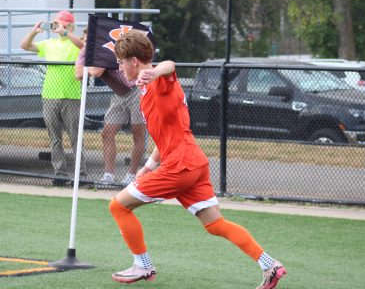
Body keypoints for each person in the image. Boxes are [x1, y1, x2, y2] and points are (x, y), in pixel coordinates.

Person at [108, 30, 286, 288]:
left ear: (134, 61)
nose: (120, 67)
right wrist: (148, 166)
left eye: (121, 62)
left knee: (118, 206)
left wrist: (155, 72)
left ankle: (142, 266)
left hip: (180, 165)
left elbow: (170, 66)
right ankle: (270, 265)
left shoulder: (158, 80)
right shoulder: (145, 90)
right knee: (215, 224)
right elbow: (166, 136)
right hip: (192, 162)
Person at [20, 10, 86, 186]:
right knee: (54, 137)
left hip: (72, 96)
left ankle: (81, 175)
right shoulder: (49, 44)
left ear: (71, 25)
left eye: (63, 23)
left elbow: (83, 47)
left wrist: (65, 33)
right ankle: (60, 174)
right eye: (56, 23)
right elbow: (25, 46)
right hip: (50, 95)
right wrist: (34, 31)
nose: (58, 26)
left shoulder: (75, 42)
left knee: (75, 137)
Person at [74, 31, 146, 186]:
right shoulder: (85, 52)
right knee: (107, 133)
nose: (88, 43)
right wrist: (87, 59)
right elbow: (78, 75)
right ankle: (109, 176)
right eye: (85, 40)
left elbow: (96, 72)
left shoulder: (104, 49)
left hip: (136, 90)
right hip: (119, 94)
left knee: (137, 133)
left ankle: (132, 175)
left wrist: (89, 64)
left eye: (91, 40)